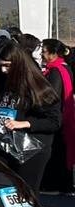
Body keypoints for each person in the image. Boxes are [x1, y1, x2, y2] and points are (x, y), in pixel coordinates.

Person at [0, 41, 60, 192]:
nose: (4, 70)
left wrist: (24, 123)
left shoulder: (39, 87)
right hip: (5, 146)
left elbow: (54, 121)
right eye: (0, 66)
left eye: (8, 65)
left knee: (25, 196)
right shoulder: (4, 83)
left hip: (32, 150)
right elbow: (2, 109)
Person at [39, 39, 74, 194]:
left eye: (44, 51)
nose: (42, 54)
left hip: (58, 118)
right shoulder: (64, 67)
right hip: (64, 116)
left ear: (53, 53)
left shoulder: (55, 71)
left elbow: (52, 96)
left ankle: (55, 185)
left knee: (57, 153)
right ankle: (64, 184)